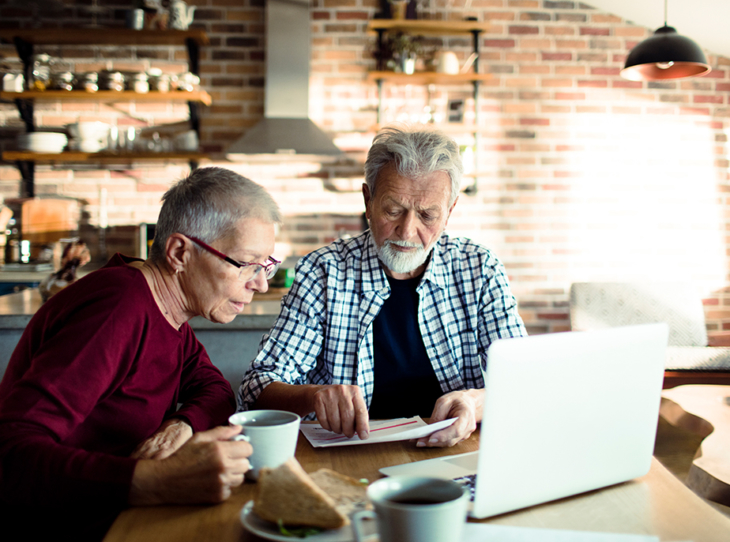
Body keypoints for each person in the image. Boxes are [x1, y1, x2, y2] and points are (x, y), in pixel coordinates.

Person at [0, 167, 282, 541]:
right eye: (246, 263)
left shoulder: (170, 313)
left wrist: (180, 426)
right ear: (179, 252)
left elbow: (215, 391)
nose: (260, 284)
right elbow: (10, 455)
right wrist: (160, 481)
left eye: (266, 265)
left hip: (122, 516)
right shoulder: (118, 308)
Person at [239, 125, 526, 449]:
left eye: (428, 215)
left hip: (457, 451)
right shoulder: (323, 272)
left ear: (449, 212)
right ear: (368, 200)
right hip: (347, 456)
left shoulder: (479, 269)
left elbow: (526, 381)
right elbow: (255, 391)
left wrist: (476, 404)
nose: (407, 231)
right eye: (393, 210)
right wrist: (314, 395)